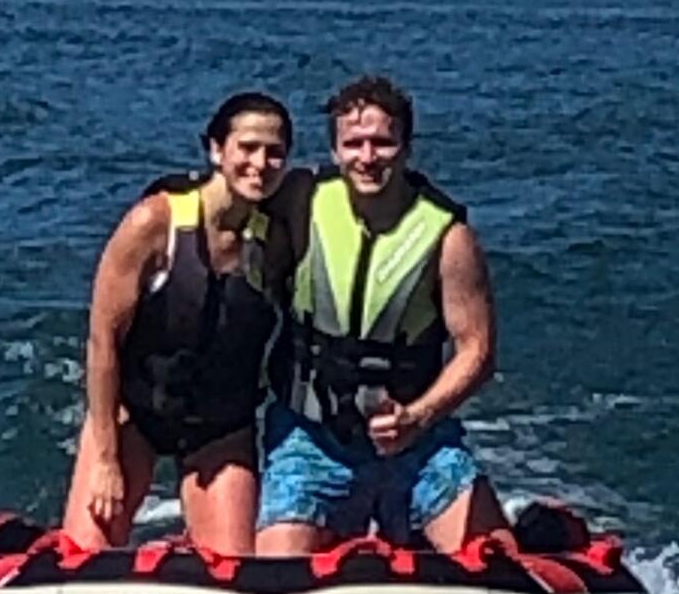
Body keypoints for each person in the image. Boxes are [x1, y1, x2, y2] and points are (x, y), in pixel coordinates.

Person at [256, 74, 507, 555]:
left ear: (406, 148)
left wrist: (417, 417)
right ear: (334, 152)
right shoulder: (299, 201)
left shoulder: (448, 237)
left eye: (382, 143)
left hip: (419, 445)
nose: (367, 158)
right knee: (276, 587)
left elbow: (477, 351)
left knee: (502, 570)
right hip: (311, 441)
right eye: (354, 143)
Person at [61, 92, 293, 555]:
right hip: (135, 415)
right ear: (215, 150)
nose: (260, 163)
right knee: (81, 560)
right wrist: (107, 458)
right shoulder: (154, 222)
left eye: (274, 152)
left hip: (220, 427)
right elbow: (103, 341)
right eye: (246, 148)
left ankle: (183, 560)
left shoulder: (276, 245)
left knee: (236, 580)